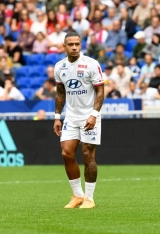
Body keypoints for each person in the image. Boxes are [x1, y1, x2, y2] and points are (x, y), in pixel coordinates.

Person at [53, 31, 104, 209]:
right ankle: (77, 195)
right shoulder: (59, 67)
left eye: (77, 44)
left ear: (81, 45)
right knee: (66, 153)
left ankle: (89, 198)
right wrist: (57, 117)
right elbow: (60, 93)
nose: (74, 47)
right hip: (71, 117)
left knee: (87, 155)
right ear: (64, 46)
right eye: (70, 44)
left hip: (89, 116)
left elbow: (100, 91)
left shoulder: (91, 64)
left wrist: (94, 115)